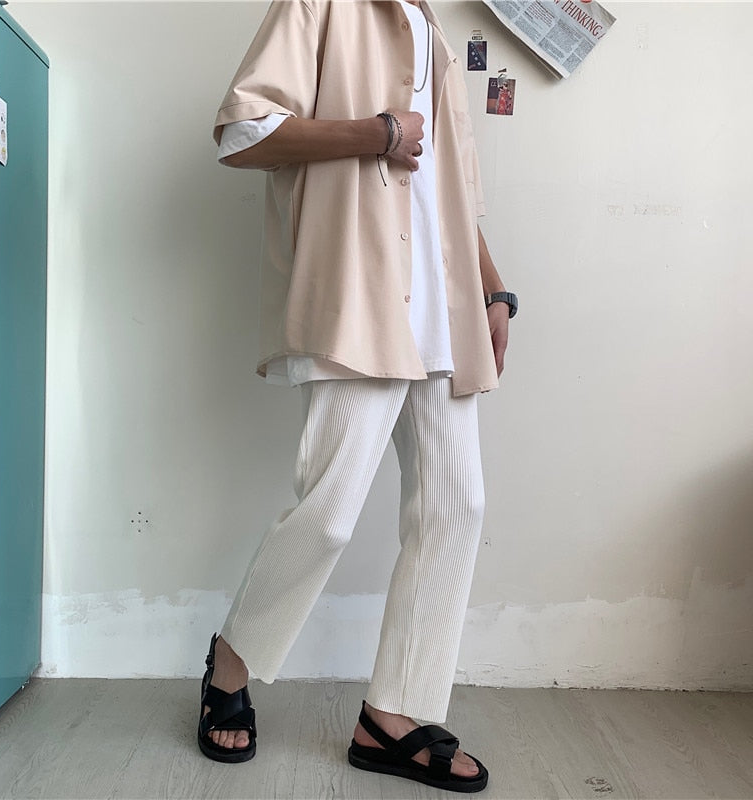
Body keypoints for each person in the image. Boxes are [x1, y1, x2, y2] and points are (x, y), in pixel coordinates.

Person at [198, 0, 518, 793]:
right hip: (361, 295)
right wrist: (375, 133)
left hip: (445, 307)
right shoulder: (321, 5)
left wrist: (493, 289)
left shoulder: (431, 27)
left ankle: (392, 717)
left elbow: (448, 185)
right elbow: (242, 132)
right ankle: (230, 662)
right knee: (331, 511)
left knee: (457, 507)